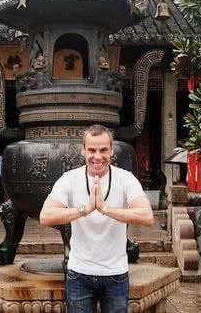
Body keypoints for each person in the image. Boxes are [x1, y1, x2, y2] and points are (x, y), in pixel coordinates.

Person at [40, 124, 154, 313]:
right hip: (79, 274)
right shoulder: (69, 179)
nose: (97, 156)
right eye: (92, 150)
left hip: (115, 274)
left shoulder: (126, 179)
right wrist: (85, 209)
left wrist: (106, 209)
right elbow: (46, 216)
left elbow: (147, 216)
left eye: (103, 150)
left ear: (111, 151)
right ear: (83, 150)